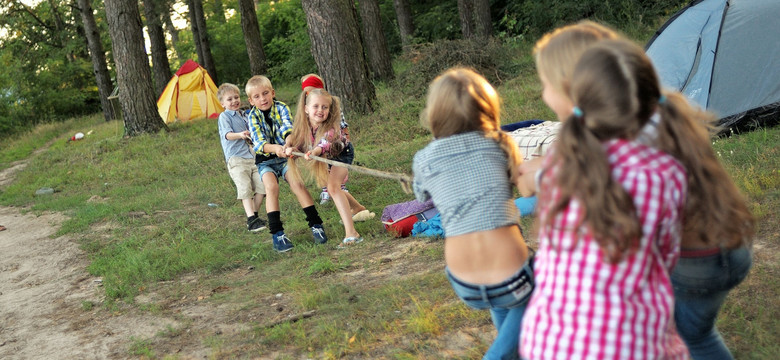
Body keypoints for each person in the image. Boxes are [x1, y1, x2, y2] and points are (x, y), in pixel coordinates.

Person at [524, 21, 756, 360]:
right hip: (724, 247)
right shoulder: (655, 116)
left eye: (544, 84)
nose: (542, 95)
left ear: (578, 87)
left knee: (692, 337)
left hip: (700, 263)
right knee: (695, 333)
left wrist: (544, 176)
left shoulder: (626, 148)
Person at [519, 39, 691, 359]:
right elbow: (666, 257)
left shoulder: (560, 163)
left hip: (548, 343)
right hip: (631, 345)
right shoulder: (667, 174)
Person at [412, 67, 534, 360]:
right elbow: (527, 190)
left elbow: (422, 195)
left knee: (505, 299)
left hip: (463, 280)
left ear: (435, 115)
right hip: (511, 276)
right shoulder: (500, 143)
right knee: (545, 280)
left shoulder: (423, 158)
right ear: (488, 110)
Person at [245, 75, 328, 253]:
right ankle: (278, 235)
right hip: (265, 160)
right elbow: (259, 144)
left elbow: (288, 129)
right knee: (271, 188)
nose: (263, 99)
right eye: (257, 97)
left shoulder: (281, 107)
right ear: (251, 101)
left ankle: (316, 225)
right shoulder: (252, 116)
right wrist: (276, 148)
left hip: (285, 156)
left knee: (298, 184)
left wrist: (288, 144)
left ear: (273, 93)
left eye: (266, 93)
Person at [284, 88, 367, 248]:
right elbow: (300, 143)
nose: (320, 111)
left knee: (333, 188)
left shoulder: (331, 126)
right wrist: (291, 149)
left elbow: (325, 143)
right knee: (331, 187)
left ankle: (352, 234)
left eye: (324, 107)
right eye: (316, 106)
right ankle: (357, 208)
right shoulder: (304, 126)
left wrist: (314, 151)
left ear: (330, 109)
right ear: (306, 109)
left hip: (341, 154)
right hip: (325, 157)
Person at [299, 74, 374, 221]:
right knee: (329, 184)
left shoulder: (330, 110)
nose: (311, 96)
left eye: (313, 91)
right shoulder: (309, 112)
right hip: (323, 152)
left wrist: (317, 149)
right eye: (307, 93)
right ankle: (357, 208)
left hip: (340, 150)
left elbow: (330, 136)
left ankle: (350, 230)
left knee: (334, 187)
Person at [216, 83, 267, 233]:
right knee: (245, 188)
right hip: (236, 159)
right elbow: (227, 135)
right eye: (229, 99)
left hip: (252, 157)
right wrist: (240, 135)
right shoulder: (224, 116)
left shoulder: (245, 115)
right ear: (222, 103)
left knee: (262, 188)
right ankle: (252, 220)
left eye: (236, 97)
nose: (234, 101)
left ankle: (254, 217)